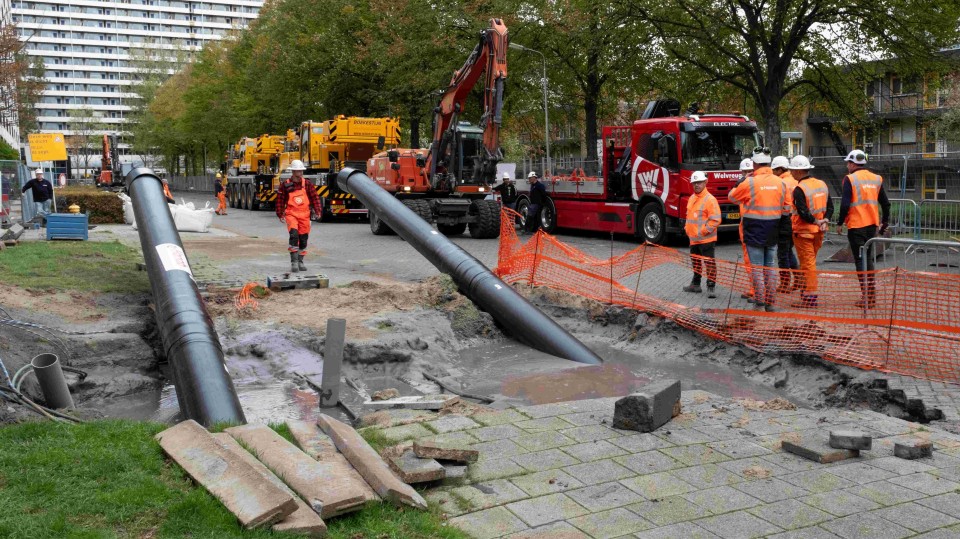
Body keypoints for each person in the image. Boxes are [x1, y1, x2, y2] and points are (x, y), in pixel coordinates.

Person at [729, 147, 787, 312]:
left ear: (754, 164)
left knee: (756, 267)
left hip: (754, 228)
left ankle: (759, 301)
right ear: (769, 163)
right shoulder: (780, 182)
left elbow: (731, 197)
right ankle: (771, 302)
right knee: (770, 265)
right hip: (773, 228)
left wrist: (741, 182)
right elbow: (787, 208)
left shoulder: (749, 182)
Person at [836, 149, 890, 308]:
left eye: (848, 163)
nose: (847, 166)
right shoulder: (876, 179)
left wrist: (839, 223)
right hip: (872, 226)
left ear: (853, 164)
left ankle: (867, 297)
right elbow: (886, 204)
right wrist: (884, 223)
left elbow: (845, 204)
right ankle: (871, 295)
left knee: (860, 261)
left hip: (856, 226)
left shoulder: (850, 179)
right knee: (868, 259)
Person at [789, 155, 832, 308]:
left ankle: (810, 298)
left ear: (799, 171)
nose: (791, 173)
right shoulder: (821, 184)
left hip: (804, 232)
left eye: (793, 170)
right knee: (809, 263)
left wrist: (816, 221)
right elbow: (830, 207)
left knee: (808, 266)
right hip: (818, 233)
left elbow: (803, 212)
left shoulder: (800, 189)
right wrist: (825, 220)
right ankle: (805, 292)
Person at [276, 159, 322, 273]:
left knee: (303, 239)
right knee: (294, 235)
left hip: (305, 215)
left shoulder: (307, 184)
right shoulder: (286, 185)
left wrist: (318, 211)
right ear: (293, 171)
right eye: (298, 170)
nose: (300, 173)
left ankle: (301, 260)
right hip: (291, 213)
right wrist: (280, 213)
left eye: (301, 170)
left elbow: (315, 198)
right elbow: (280, 200)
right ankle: (294, 262)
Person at [683, 171, 721, 298]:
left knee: (709, 263)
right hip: (694, 239)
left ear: (705, 182)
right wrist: (687, 229)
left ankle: (711, 287)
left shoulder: (710, 200)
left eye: (698, 182)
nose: (696, 185)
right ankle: (696, 284)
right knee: (696, 263)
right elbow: (689, 217)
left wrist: (703, 231)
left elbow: (716, 219)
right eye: (694, 183)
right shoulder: (692, 198)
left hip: (706, 240)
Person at [771, 156, 800, 293]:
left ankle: (785, 283)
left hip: (785, 222)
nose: (772, 172)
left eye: (774, 170)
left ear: (779, 169)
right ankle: (798, 279)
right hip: (796, 222)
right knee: (788, 252)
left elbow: (780, 203)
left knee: (783, 254)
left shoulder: (781, 183)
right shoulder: (794, 180)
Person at [737, 158, 755, 301]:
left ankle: (757, 290)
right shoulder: (742, 186)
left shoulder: (755, 186)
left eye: (750, 171)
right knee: (750, 261)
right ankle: (754, 288)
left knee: (754, 261)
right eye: (745, 172)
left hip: (753, 227)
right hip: (747, 226)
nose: (748, 174)